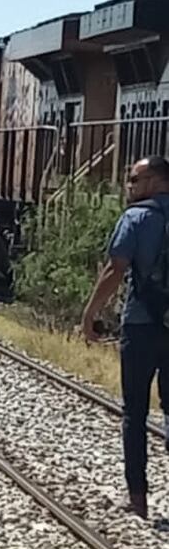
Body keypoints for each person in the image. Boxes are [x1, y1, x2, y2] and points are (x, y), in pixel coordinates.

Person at [80, 156, 169, 520]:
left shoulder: (135, 218)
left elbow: (115, 269)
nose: (129, 185)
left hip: (142, 325)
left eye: (134, 179)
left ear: (156, 181)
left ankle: (137, 498)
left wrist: (90, 314)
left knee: (134, 412)